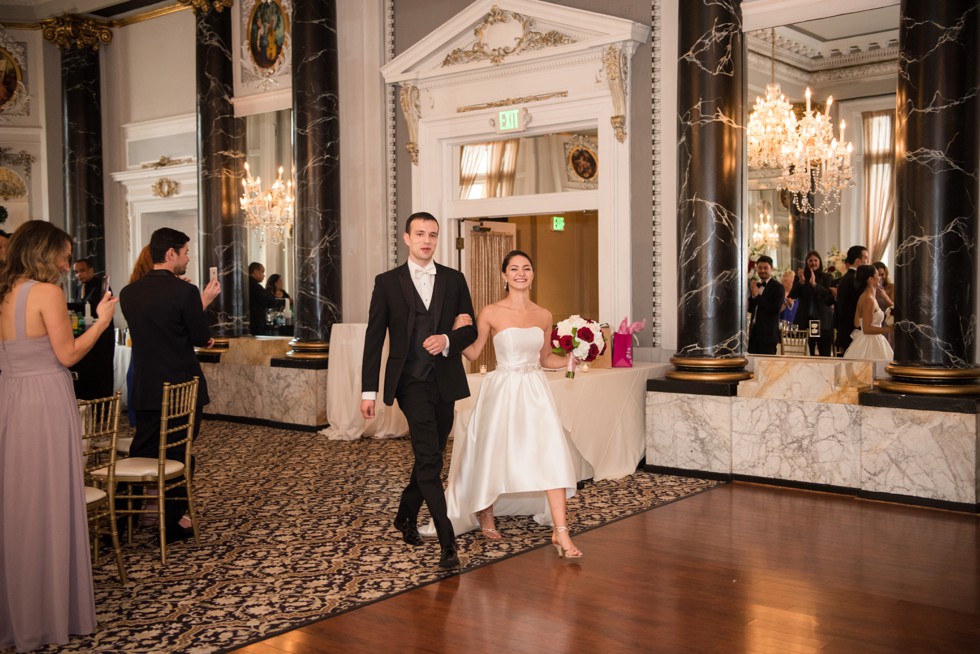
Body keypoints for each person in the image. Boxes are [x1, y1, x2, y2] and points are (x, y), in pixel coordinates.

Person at [0, 220, 118, 652]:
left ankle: (18, 610)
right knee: (49, 498)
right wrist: (102, 321)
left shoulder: (4, 290)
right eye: (65, 256)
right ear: (43, 252)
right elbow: (68, 354)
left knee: (17, 501)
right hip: (45, 399)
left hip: (10, 395)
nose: (69, 265)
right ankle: (47, 613)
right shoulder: (45, 292)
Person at [425, 250, 583, 558]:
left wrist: (570, 360)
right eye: (514, 268)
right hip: (502, 391)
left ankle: (561, 533)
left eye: (526, 268)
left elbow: (545, 358)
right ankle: (485, 514)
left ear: (533, 274)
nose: (520, 273)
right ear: (504, 275)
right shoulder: (490, 312)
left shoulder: (544, 314)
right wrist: (456, 331)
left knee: (551, 452)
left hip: (535, 392)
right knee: (491, 453)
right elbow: (472, 353)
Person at [360, 211, 477, 570]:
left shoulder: (454, 280)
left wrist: (447, 339)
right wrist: (368, 391)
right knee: (429, 458)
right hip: (409, 382)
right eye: (420, 234)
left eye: (433, 235)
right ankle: (447, 543)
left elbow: (469, 331)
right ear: (408, 238)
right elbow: (374, 338)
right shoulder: (386, 282)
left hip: (444, 379)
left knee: (433, 455)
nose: (427, 240)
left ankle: (405, 513)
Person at [119, 228, 219, 543]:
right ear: (171, 253)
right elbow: (200, 337)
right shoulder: (184, 292)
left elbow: (156, 330)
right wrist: (201, 301)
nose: (188, 258)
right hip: (181, 387)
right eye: (186, 252)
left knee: (143, 450)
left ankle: (123, 517)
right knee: (178, 453)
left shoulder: (128, 292)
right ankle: (174, 522)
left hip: (145, 386)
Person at [843, 264, 894, 360]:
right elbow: (867, 329)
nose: (879, 278)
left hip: (866, 340)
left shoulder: (863, 297)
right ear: (870, 279)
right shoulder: (869, 300)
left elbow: (857, 323)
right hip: (871, 341)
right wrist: (889, 330)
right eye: (877, 275)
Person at [789, 250, 835, 356]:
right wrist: (800, 282)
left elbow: (828, 294)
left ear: (819, 262)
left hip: (823, 321)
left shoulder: (827, 277)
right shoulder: (801, 277)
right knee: (805, 354)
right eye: (810, 260)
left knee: (824, 354)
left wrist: (815, 285)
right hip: (804, 321)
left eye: (815, 260)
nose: (813, 263)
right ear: (806, 262)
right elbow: (792, 295)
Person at [833, 245, 871, 355]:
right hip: (852, 332)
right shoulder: (855, 280)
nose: (868, 261)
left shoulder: (846, 278)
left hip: (845, 331)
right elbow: (857, 307)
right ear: (858, 261)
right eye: (866, 258)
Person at [747, 255, 784, 355]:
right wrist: (751, 296)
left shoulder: (778, 287)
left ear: (771, 269)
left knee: (766, 367)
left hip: (768, 335)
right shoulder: (757, 286)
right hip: (754, 334)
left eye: (765, 268)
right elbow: (751, 309)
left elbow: (775, 309)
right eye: (760, 268)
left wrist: (757, 296)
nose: (762, 270)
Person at [248, 261, 278, 335]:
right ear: (255, 272)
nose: (264, 275)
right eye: (262, 272)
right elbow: (269, 300)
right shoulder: (254, 285)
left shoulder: (249, 283)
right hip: (255, 324)